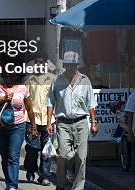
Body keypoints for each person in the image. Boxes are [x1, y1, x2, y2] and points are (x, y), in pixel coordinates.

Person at [46, 51, 98, 190]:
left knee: (81, 158)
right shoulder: (57, 80)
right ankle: (61, 185)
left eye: (73, 65)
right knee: (63, 155)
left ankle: (78, 187)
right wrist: (48, 122)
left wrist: (94, 122)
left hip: (81, 123)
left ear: (77, 66)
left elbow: (90, 104)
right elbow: (50, 102)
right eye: (67, 65)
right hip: (63, 124)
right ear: (64, 65)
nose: (70, 67)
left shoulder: (85, 80)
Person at [0, 72, 37, 190]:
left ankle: (12, 186)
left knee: (13, 157)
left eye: (11, 76)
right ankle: (9, 182)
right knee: (5, 158)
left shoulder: (23, 89)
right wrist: (3, 98)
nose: (8, 78)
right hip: (1, 127)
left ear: (16, 76)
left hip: (17, 128)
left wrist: (33, 126)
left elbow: (30, 109)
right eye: (6, 76)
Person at [23, 55, 55, 185]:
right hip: (32, 120)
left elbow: (56, 98)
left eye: (42, 62)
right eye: (37, 62)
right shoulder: (29, 79)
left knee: (46, 151)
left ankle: (44, 176)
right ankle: (30, 170)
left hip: (49, 120)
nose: (40, 65)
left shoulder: (52, 79)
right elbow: (24, 99)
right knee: (32, 149)